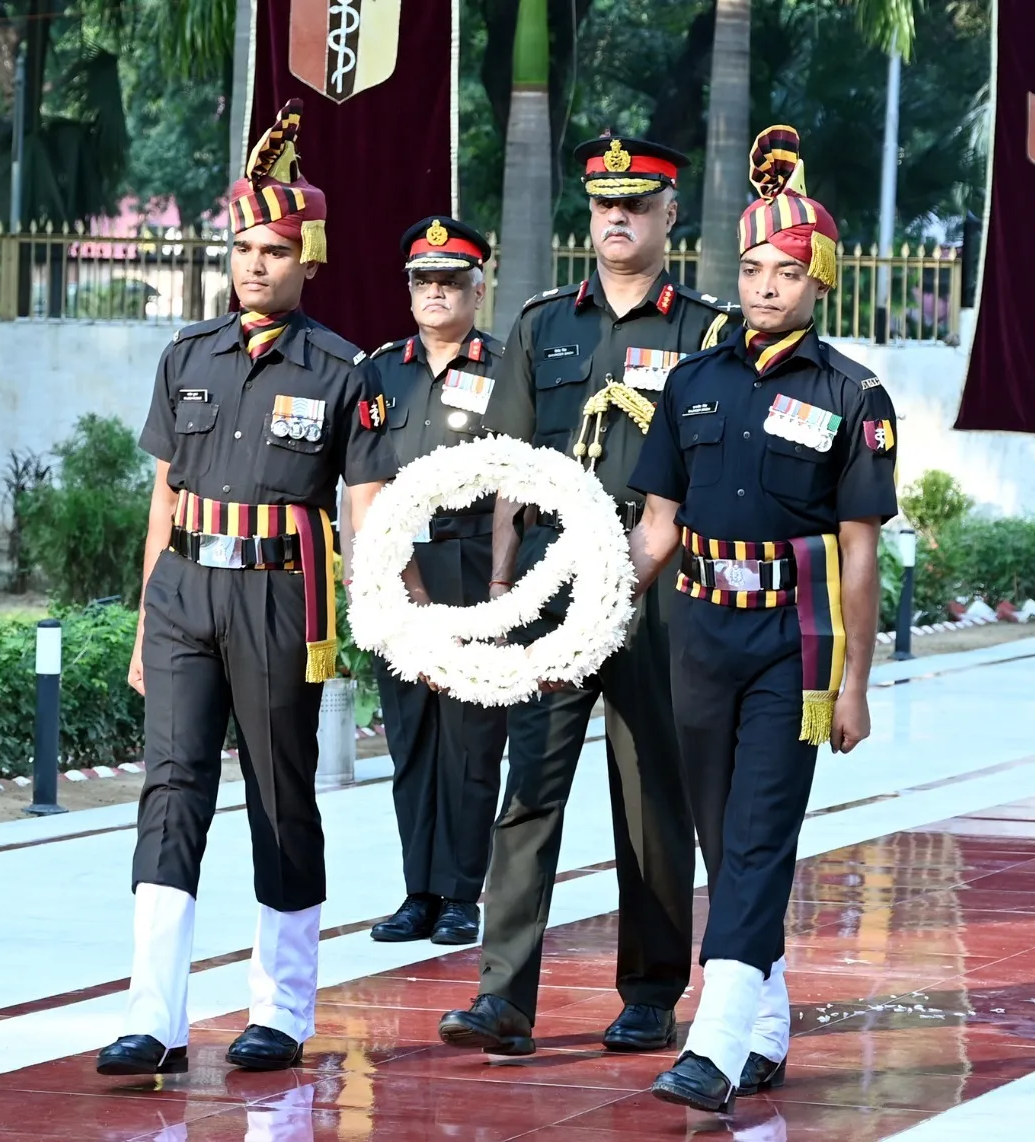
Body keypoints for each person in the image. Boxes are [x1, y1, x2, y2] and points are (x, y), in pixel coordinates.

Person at [96, 101, 398, 1076]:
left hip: (280, 599)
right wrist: (148, 619)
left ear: (306, 256)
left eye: (273, 248)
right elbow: (164, 496)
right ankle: (154, 1014)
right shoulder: (186, 356)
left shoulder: (344, 371)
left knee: (279, 792)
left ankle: (282, 1006)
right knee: (169, 791)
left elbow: (372, 512)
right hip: (185, 590)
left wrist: (389, 620)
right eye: (241, 247)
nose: (254, 264)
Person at [438, 133, 739, 1056]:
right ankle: (504, 998)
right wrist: (501, 594)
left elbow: (707, 473)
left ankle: (649, 993)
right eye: (605, 203)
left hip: (656, 592)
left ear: (668, 216)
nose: (618, 217)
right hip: (553, 582)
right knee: (528, 786)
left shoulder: (703, 330)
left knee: (651, 794)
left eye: (637, 204)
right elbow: (512, 472)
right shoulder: (542, 326)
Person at [623, 125, 897, 1113]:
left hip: (796, 640)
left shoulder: (851, 394)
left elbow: (859, 547)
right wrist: (586, 612)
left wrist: (855, 682)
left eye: (783, 270)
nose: (763, 285)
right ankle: (768, 1020)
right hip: (697, 628)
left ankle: (714, 1045)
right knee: (718, 833)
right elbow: (655, 528)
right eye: (749, 268)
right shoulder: (690, 381)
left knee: (759, 834)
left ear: (817, 279)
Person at [357, 217, 530, 947]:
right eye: (424, 280)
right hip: (402, 575)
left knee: (470, 741)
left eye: (450, 282)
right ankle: (418, 892)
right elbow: (364, 480)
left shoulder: (501, 366)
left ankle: (462, 893)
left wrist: (501, 587)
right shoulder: (380, 369)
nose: (435, 293)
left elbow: (514, 485)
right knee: (411, 742)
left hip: (472, 569)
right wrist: (385, 587)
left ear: (477, 290)